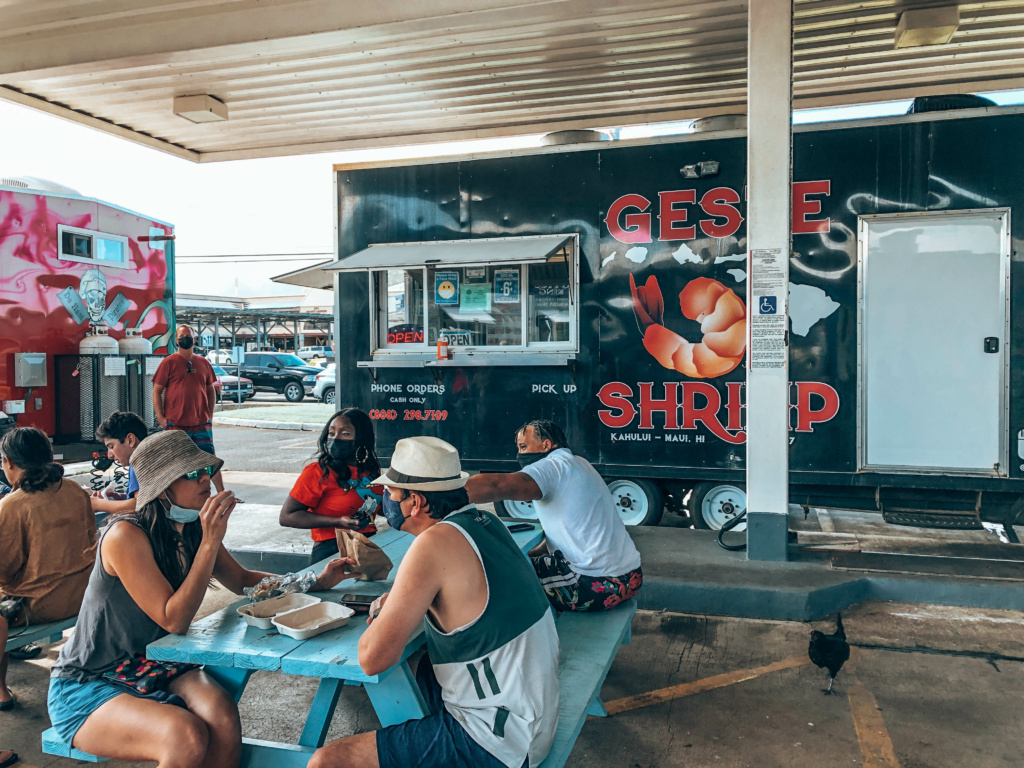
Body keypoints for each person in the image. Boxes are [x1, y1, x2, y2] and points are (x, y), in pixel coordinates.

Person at [46, 430, 356, 765]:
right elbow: (173, 619)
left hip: (157, 664)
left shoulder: (191, 529)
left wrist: (313, 582)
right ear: (163, 487)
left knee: (223, 715)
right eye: (192, 474)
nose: (206, 479)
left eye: (206, 470)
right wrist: (210, 541)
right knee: (185, 734)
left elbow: (242, 580)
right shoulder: (125, 535)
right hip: (91, 679)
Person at [309, 436, 559, 768]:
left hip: (499, 741)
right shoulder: (487, 523)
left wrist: (385, 613)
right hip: (536, 720)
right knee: (416, 666)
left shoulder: (432, 544)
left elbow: (371, 660)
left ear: (415, 501)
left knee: (327, 761)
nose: (384, 498)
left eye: (392, 493)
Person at [465, 419, 642, 613]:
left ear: (546, 445)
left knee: (496, 573)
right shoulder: (581, 464)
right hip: (632, 577)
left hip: (594, 585)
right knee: (525, 562)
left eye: (524, 447)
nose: (520, 454)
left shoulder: (552, 466)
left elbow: (497, 486)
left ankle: (529, 638)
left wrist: (445, 492)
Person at [0, 427, 97, 711]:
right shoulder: (75, 490)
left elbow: (4, 572)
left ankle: (1, 689)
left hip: (38, 606)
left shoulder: (13, 505)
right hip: (82, 594)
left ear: (9, 463)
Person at [279, 408, 383, 565]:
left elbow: (378, 505)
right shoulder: (318, 472)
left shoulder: (371, 470)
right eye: (332, 433)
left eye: (345, 433)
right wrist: (338, 521)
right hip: (331, 549)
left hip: (368, 545)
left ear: (361, 439)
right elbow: (287, 516)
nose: (336, 438)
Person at [152, 324, 225, 493]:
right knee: (177, 463)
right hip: (176, 424)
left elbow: (210, 389)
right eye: (182, 336)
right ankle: (178, 496)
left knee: (210, 460)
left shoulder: (203, 363)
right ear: (176, 340)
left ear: (194, 339)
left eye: (188, 336)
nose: (185, 338)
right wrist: (161, 418)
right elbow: (157, 391)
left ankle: (222, 492)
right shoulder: (168, 363)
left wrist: (210, 414)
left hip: (201, 423)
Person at [90, 411, 147, 516]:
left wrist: (98, 504)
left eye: (111, 447)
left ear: (130, 440)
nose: (109, 456)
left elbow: (138, 505)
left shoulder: (138, 463)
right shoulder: (143, 459)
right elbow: (143, 499)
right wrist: (120, 498)